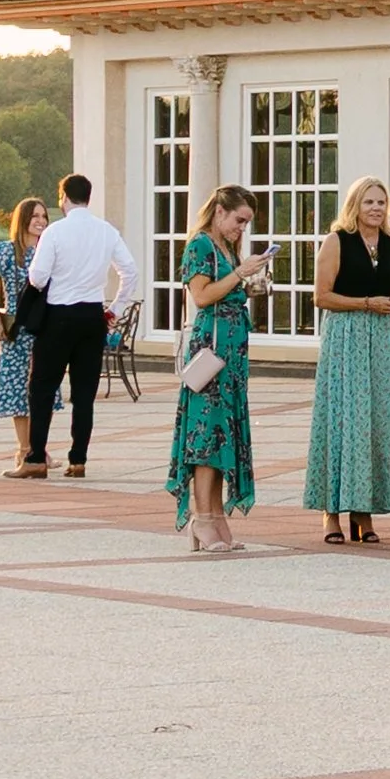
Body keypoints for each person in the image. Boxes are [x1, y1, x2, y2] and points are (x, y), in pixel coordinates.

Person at [306, 175, 390, 546]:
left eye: (381, 202)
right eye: (368, 202)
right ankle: (331, 513)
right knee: (343, 420)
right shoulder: (337, 241)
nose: (376, 208)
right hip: (346, 338)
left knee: (373, 423)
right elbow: (321, 297)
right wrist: (366, 303)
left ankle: (364, 512)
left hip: (381, 341)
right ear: (355, 205)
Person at [166, 183, 270, 551]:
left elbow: (228, 289)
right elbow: (202, 295)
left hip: (232, 354)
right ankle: (202, 517)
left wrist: (251, 282)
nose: (242, 228)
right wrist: (240, 274)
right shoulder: (201, 245)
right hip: (210, 354)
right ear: (220, 211)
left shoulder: (227, 247)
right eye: (239, 220)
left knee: (225, 434)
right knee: (206, 436)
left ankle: (216, 517)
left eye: (246, 223)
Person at [22, 173, 140, 482]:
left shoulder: (55, 232)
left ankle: (35, 457)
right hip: (92, 316)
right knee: (85, 392)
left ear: (63, 197)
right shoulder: (106, 231)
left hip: (58, 316)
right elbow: (130, 271)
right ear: (88, 197)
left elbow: (37, 278)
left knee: (43, 387)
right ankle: (78, 460)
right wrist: (114, 309)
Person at [0, 194, 49, 473]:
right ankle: (25, 448)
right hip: (16, 328)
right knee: (17, 389)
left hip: (44, 327)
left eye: (44, 216)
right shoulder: (6, 250)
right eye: (35, 216)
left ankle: (38, 448)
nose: (40, 222)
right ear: (23, 219)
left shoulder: (49, 248)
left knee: (42, 390)